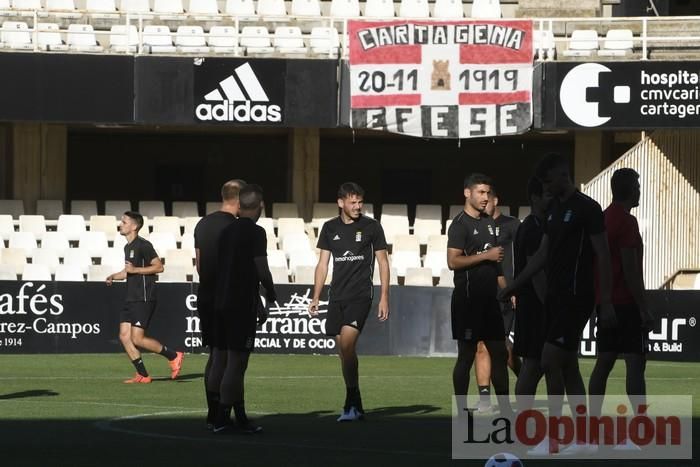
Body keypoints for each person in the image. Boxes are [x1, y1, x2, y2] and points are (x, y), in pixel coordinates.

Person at [499, 153, 615, 455]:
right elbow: (541, 256)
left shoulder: (587, 209)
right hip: (556, 299)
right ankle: (584, 436)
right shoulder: (555, 212)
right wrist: (514, 284)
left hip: (578, 298)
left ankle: (555, 436)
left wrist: (606, 302)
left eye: (550, 181)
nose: (547, 188)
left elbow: (602, 254)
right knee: (568, 367)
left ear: (563, 175)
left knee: (549, 359)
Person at [309, 182, 390, 422]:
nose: (357, 206)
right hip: (336, 298)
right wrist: (316, 296)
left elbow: (383, 262)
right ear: (341, 203)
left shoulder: (372, 227)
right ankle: (354, 401)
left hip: (361, 296)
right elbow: (323, 264)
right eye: (352, 202)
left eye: (360, 202)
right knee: (344, 352)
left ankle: (350, 400)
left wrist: (384, 296)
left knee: (346, 346)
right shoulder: (328, 228)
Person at [588, 168, 653, 448]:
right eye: (637, 186)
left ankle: (591, 425)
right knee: (635, 364)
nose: (640, 191)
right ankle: (640, 428)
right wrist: (643, 308)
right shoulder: (626, 222)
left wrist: (602, 302)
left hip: (606, 304)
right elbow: (630, 270)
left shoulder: (604, 218)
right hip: (625, 304)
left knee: (603, 364)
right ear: (630, 190)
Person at [210, 184, 276, 434]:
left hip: (221, 302)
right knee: (237, 363)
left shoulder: (226, 231)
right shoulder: (256, 232)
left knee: (222, 359)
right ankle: (223, 420)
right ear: (260, 206)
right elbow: (261, 268)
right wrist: (270, 291)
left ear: (239, 205)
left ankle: (229, 415)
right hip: (240, 306)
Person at [448, 173, 511, 415]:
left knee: (499, 352)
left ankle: (505, 409)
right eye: (481, 193)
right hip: (467, 301)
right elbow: (453, 261)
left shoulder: (489, 223)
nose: (485, 198)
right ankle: (461, 410)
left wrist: (507, 289)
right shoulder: (459, 225)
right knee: (466, 355)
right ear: (467, 193)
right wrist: (486, 255)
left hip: (491, 301)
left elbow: (495, 265)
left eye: (487, 193)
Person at [106, 211, 184, 384]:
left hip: (144, 296)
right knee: (124, 336)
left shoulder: (143, 245)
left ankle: (174, 355)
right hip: (131, 297)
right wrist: (114, 276)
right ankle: (143, 374)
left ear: (134, 226)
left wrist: (135, 271)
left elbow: (159, 267)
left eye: (124, 221)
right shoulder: (128, 247)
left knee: (137, 338)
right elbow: (128, 271)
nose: (121, 224)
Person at [194, 179, 246, 428]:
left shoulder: (203, 223)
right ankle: (226, 415)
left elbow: (199, 263)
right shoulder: (237, 228)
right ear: (241, 199)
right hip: (229, 297)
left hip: (206, 294)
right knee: (230, 358)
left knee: (214, 354)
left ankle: (212, 412)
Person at [474, 187, 522, 411]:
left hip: (506, 294)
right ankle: (484, 399)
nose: (484, 202)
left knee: (503, 349)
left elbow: (524, 258)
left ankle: (523, 379)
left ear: (496, 200)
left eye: (487, 198)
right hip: (482, 294)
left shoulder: (512, 225)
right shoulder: (475, 226)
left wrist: (517, 287)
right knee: (481, 346)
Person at [512, 177, 551, 405]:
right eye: (547, 194)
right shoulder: (532, 228)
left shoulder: (535, 226)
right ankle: (524, 416)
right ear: (535, 198)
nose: (552, 198)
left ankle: (524, 414)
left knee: (537, 363)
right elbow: (535, 270)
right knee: (534, 363)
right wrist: (548, 302)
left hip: (532, 303)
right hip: (535, 304)